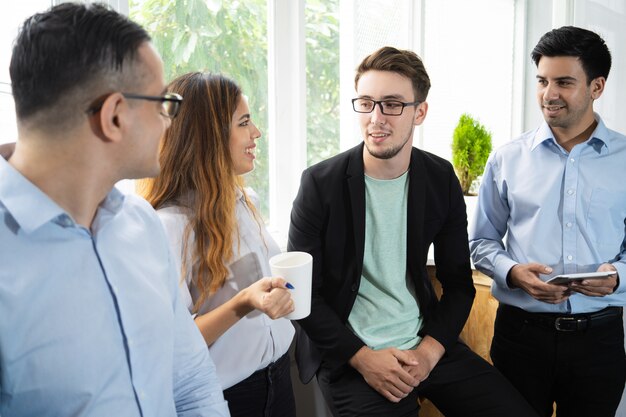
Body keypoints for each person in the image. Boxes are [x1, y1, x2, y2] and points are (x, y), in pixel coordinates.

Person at [0, 3, 229, 417]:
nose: (169, 122)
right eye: (164, 104)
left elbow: (192, 383)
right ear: (114, 116)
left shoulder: (142, 225)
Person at [288, 46, 538, 417]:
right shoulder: (319, 184)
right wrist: (362, 359)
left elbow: (458, 284)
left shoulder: (440, 178)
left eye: (392, 104)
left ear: (419, 112)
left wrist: (429, 351)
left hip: (425, 344)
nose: (376, 118)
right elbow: (302, 294)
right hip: (351, 354)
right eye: (366, 103)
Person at [469, 26, 626, 417]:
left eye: (564, 82)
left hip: (600, 340)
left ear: (597, 86)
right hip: (519, 337)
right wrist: (514, 273)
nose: (548, 94)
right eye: (542, 81)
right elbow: (481, 243)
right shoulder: (507, 158)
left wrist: (619, 276)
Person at [140, 72, 297, 417]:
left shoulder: (243, 201)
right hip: (232, 397)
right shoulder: (170, 227)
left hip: (279, 379)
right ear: (208, 138)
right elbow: (173, 346)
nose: (256, 132)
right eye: (243, 123)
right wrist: (242, 303)